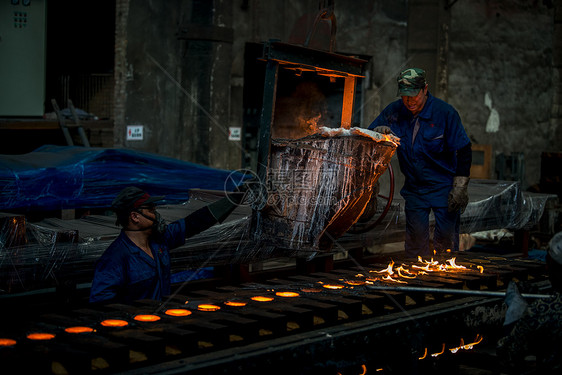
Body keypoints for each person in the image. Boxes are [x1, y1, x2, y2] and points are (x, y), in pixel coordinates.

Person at [368, 68, 472, 257]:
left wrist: (460, 187)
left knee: (446, 244)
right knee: (415, 244)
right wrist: (378, 132)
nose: (409, 101)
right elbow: (367, 137)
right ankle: (416, 281)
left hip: (443, 186)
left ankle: (444, 280)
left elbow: (464, 149)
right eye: (405, 96)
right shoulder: (394, 111)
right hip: (415, 188)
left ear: (425, 89)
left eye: (413, 96)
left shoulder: (445, 114)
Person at [89, 186, 244, 304]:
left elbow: (195, 223)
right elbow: (102, 304)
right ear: (135, 217)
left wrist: (234, 198)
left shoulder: (160, 241)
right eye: (150, 210)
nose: (156, 214)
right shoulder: (114, 259)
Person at [496, 231, 562, 373]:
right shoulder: (546, 306)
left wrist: (514, 319)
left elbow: (508, 353)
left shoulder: (544, 310)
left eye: (548, 263)